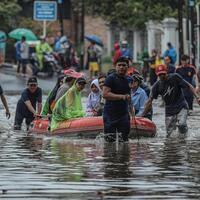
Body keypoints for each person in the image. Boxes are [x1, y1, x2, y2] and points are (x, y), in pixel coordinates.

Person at [142, 64, 200, 136]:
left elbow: (189, 86)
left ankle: (185, 137)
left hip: (181, 106)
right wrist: (142, 115)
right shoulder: (156, 86)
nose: (162, 76)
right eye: (160, 74)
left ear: (166, 72)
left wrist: (197, 97)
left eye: (163, 73)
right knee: (169, 134)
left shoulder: (175, 77)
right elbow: (150, 101)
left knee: (182, 124)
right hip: (169, 110)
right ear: (157, 75)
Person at [103, 56, 131, 142]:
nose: (121, 67)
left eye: (124, 65)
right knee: (110, 141)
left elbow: (129, 98)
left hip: (123, 114)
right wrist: (121, 97)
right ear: (115, 66)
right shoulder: (110, 78)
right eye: (119, 65)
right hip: (110, 115)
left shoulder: (128, 80)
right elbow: (105, 94)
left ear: (127, 67)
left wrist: (131, 113)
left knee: (124, 141)